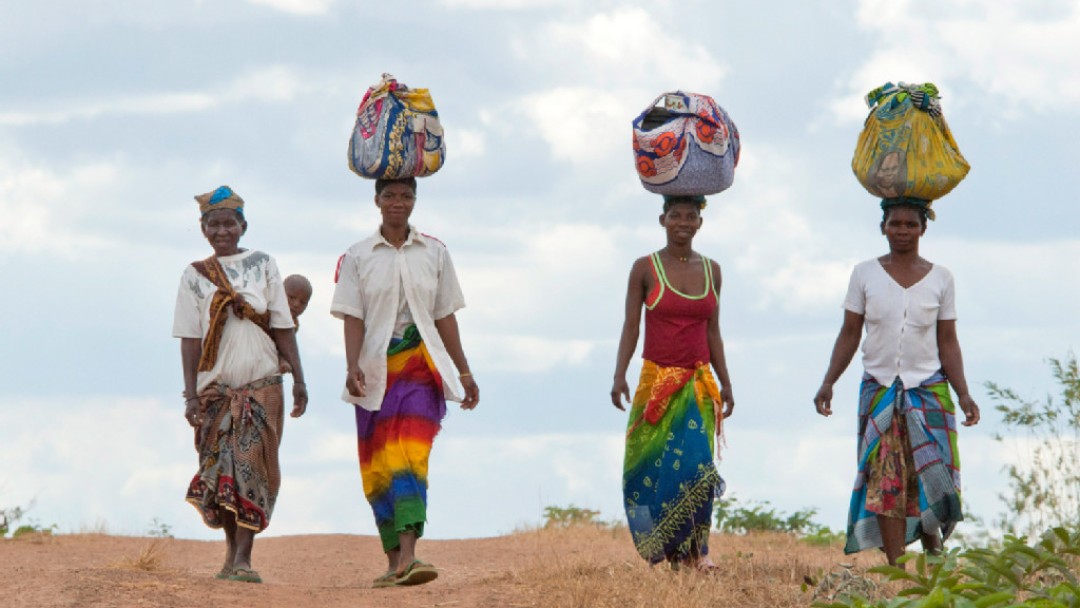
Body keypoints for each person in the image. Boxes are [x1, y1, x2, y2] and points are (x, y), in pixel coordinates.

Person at [813, 200, 980, 567]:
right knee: (885, 478)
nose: (902, 231)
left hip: (928, 389)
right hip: (880, 388)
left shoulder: (941, 278)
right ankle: (896, 568)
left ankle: (935, 556)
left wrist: (963, 393)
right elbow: (850, 332)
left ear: (923, 229)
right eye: (895, 223)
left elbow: (948, 340)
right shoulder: (864, 275)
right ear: (883, 227)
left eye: (910, 224)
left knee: (930, 474)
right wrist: (829, 381)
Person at [331, 177, 479, 588]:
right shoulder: (358, 256)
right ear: (376, 200)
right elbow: (352, 316)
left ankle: (411, 556)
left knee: (407, 455)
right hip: (375, 373)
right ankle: (394, 560)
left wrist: (464, 372)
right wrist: (352, 366)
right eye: (391, 196)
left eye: (406, 196)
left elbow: (445, 315)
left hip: (418, 367)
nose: (398, 203)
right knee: (377, 466)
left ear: (415, 201)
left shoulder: (434, 251)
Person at [173, 185, 308, 584]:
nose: (221, 231)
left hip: (262, 385)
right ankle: (232, 553)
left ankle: (244, 558)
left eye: (229, 223)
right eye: (213, 224)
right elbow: (189, 337)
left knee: (251, 467)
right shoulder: (195, 276)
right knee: (221, 472)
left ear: (242, 225)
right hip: (215, 391)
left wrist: (299, 378)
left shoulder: (263, 264)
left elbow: (282, 325)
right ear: (203, 229)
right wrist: (191, 394)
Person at [610, 194, 734, 571]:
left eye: (691, 216)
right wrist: (619, 374)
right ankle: (673, 552)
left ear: (700, 223)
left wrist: (726, 382)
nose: (683, 222)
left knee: (697, 466)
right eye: (676, 215)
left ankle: (698, 552)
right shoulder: (644, 268)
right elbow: (632, 325)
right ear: (662, 219)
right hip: (656, 382)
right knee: (649, 469)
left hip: (697, 383)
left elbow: (713, 331)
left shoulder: (712, 270)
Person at [278, 274, 312, 375]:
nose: (297, 304)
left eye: (303, 302)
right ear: (279, 293)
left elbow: (286, 347)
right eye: (292, 298)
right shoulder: (267, 311)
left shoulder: (294, 325)